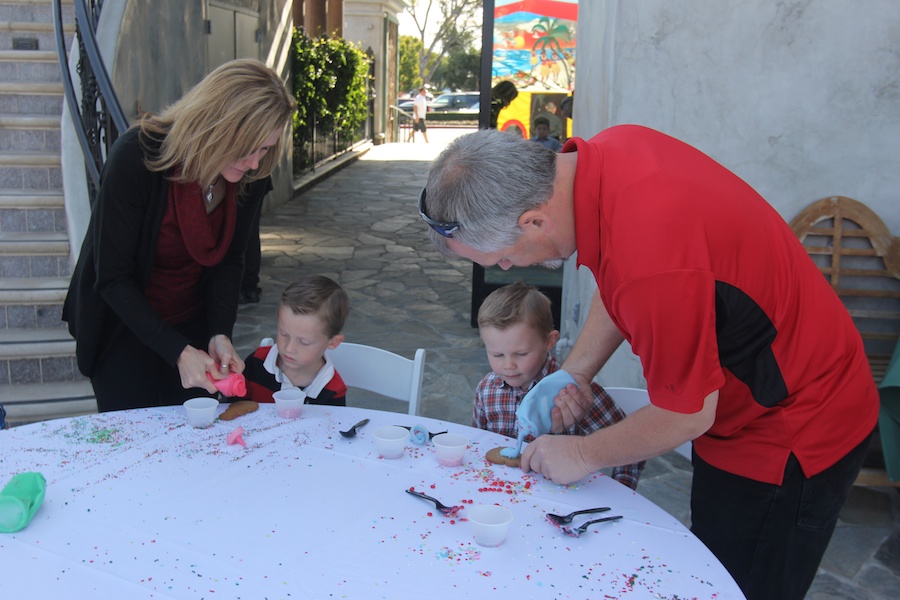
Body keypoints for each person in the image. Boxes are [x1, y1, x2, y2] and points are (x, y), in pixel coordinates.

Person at [417, 126, 878, 600]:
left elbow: (687, 412)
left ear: (534, 221)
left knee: (738, 586)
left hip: (794, 426)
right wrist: (574, 372)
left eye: (506, 259)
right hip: (754, 399)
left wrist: (581, 453)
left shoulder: (653, 259)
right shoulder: (605, 156)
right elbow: (619, 280)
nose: (510, 269)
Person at [62, 59, 296, 412]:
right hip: (122, 328)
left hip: (193, 322)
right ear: (216, 125)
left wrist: (219, 332)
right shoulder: (135, 157)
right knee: (136, 447)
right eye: (248, 147)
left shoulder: (252, 173)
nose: (254, 162)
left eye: (264, 149)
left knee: (198, 443)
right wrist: (177, 351)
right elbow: (111, 278)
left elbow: (231, 260)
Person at [474, 282, 642, 490]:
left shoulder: (575, 392)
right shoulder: (486, 390)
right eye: (497, 355)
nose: (508, 365)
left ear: (549, 341)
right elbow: (476, 443)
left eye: (521, 353)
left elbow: (629, 451)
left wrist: (622, 492)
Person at [242, 275, 349, 405]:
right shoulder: (256, 363)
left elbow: (334, 424)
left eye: (303, 342)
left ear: (333, 342)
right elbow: (232, 409)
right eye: (283, 334)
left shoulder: (333, 389)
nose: (289, 348)